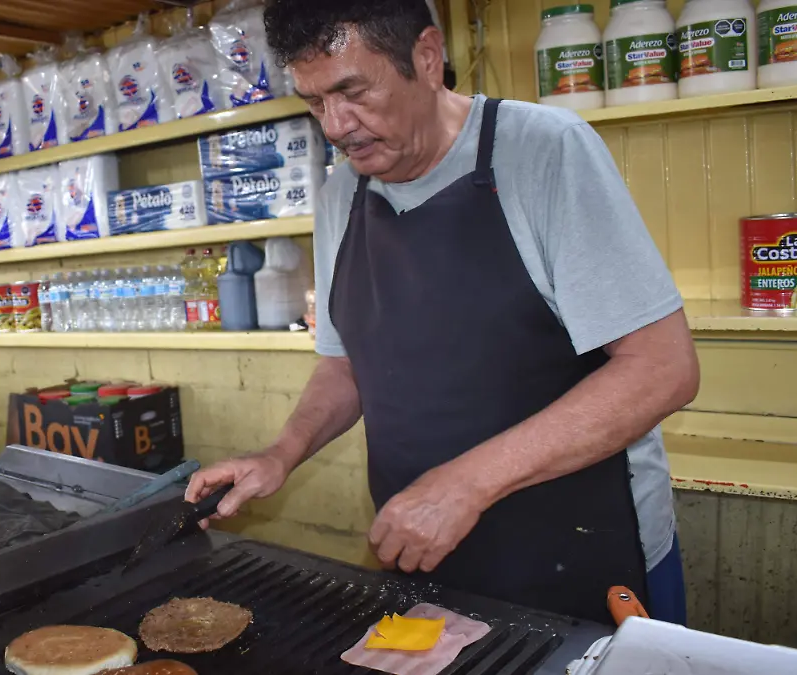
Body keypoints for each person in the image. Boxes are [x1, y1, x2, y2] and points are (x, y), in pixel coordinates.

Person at [184, 0, 699, 626]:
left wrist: (464, 484)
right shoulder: (342, 192)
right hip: (425, 547)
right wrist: (281, 453)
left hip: (583, 550)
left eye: (352, 91)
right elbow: (346, 364)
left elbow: (662, 368)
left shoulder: (545, 151)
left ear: (427, 58)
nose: (336, 126)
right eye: (315, 103)